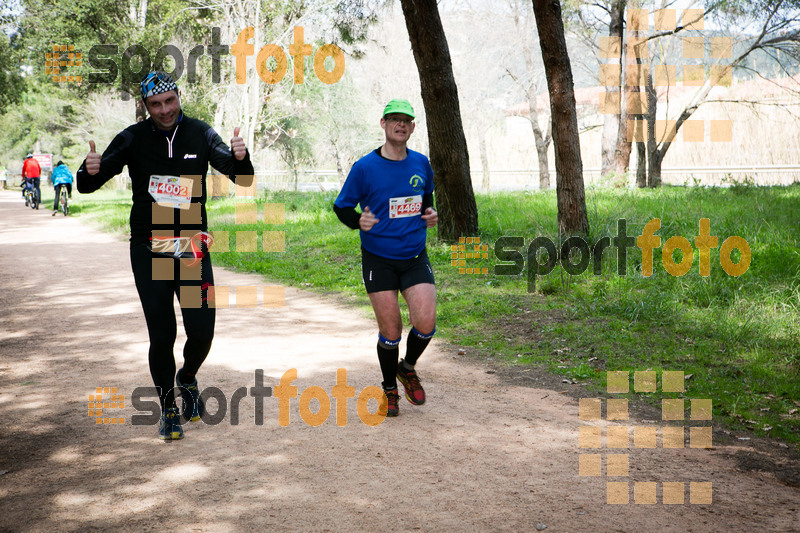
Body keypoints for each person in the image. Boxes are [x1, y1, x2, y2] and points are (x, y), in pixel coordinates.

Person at [77, 71, 254, 440]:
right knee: (162, 333)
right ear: (145, 106)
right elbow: (89, 183)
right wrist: (87, 168)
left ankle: (187, 377)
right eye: (155, 104)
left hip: (191, 246)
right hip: (150, 245)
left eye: (169, 101)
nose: (164, 110)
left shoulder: (201, 133)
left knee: (202, 331)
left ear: (178, 97)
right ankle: (168, 408)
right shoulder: (132, 137)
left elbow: (242, 177)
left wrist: (242, 157)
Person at [333, 99, 438, 417]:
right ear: (383, 124)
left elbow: (425, 198)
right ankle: (389, 388)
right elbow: (342, 206)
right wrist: (357, 221)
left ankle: (407, 368)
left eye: (406, 120)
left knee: (426, 324)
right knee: (391, 331)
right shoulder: (365, 167)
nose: (400, 125)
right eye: (394, 119)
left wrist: (429, 213)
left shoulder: (421, 163)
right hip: (378, 258)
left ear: (412, 127)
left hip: (414, 254)